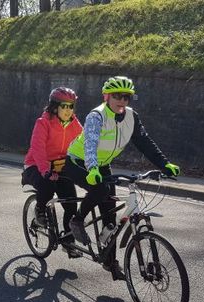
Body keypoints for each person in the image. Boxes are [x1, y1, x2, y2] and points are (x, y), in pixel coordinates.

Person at [65, 76, 181, 280]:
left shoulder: (131, 117)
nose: (122, 101)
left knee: (110, 219)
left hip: (102, 165)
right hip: (78, 161)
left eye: (127, 97)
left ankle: (110, 263)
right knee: (99, 190)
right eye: (117, 96)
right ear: (106, 96)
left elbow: (145, 142)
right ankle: (77, 220)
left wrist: (164, 164)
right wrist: (92, 168)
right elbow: (89, 145)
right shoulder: (97, 116)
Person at [22, 87, 83, 258]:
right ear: (54, 107)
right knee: (47, 185)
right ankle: (40, 210)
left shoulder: (75, 124)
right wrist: (45, 170)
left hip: (60, 166)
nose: (68, 110)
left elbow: (84, 145)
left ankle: (68, 242)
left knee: (71, 204)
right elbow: (37, 148)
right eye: (64, 106)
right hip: (36, 164)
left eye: (71, 106)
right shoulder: (43, 122)